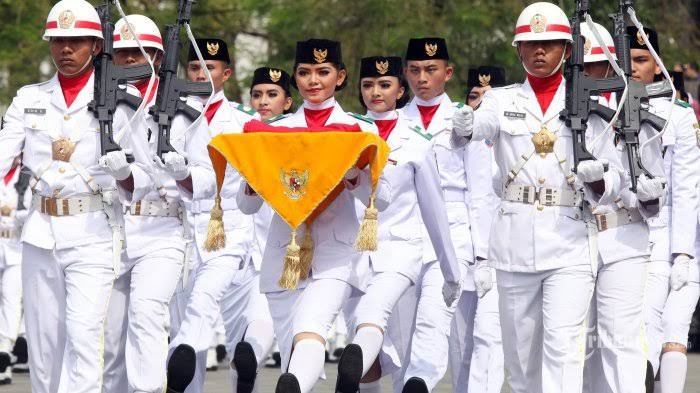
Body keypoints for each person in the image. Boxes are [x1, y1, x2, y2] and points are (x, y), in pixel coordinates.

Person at [451, 2, 626, 392]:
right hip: (514, 242)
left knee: (562, 351)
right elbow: (481, 126)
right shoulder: (502, 99)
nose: (539, 51)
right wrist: (466, 125)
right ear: (518, 50)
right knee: (521, 361)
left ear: (567, 48)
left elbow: (616, 178)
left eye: (549, 42)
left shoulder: (589, 99)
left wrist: (599, 182)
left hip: (569, 241)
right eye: (530, 44)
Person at [0, 0, 146, 391]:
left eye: (77, 41)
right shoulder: (28, 97)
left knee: (84, 336)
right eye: (59, 41)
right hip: (40, 232)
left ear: (96, 47)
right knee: (45, 344)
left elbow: (144, 175)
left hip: (93, 232)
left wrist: (125, 173)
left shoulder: (124, 99)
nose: (66, 49)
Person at [236, 38, 388, 393]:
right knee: (293, 345)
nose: (313, 80)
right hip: (284, 253)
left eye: (323, 71)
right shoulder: (276, 131)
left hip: (334, 254)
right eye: (304, 72)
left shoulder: (361, 131)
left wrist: (352, 172)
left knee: (312, 330)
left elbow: (385, 198)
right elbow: (246, 206)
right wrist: (256, 177)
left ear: (340, 76)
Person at [335, 55, 459, 393]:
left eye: (384, 84)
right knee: (362, 353)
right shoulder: (346, 134)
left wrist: (451, 273)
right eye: (367, 85)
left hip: (400, 254)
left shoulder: (418, 143)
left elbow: (434, 212)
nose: (375, 91)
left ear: (400, 90)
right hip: (354, 253)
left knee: (400, 350)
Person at [167, 37, 275, 393]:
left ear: (226, 73)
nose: (200, 74)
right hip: (180, 228)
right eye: (194, 67)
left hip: (228, 228)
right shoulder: (169, 116)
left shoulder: (243, 122)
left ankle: (183, 357)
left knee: (206, 305)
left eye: (209, 67)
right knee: (181, 316)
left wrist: (186, 175)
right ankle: (184, 377)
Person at [98, 14, 193, 393]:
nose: (126, 63)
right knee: (109, 331)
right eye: (118, 55)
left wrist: (182, 172)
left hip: (162, 229)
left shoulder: (183, 108)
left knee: (147, 315)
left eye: (135, 54)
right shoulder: (99, 103)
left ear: (156, 56)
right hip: (110, 227)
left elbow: (204, 178)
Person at [577, 22, 662, 393]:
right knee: (578, 347)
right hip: (574, 238)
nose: (585, 76)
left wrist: (643, 194)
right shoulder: (560, 114)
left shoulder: (636, 113)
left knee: (620, 340)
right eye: (578, 68)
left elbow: (656, 193)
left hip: (624, 237)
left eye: (591, 67)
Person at [388, 37, 473, 393]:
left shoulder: (464, 120)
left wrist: (482, 250)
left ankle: (419, 381)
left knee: (434, 321)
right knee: (401, 333)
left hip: (452, 229)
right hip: (403, 227)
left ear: (447, 73)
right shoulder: (391, 121)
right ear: (406, 73)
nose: (423, 77)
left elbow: (480, 187)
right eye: (415, 70)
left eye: (431, 69)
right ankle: (407, 382)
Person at [633, 26, 700, 393]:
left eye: (642, 60)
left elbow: (688, 189)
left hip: (670, 229)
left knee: (664, 323)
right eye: (625, 62)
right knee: (643, 324)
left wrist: (684, 252)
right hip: (627, 228)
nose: (633, 69)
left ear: (657, 66)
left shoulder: (676, 115)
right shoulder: (605, 108)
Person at [448, 65, 506, 393]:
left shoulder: (511, 138)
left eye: (488, 97)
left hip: (501, 253)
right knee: (461, 344)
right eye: (474, 96)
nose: (480, 102)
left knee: (489, 336)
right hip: (464, 251)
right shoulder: (457, 139)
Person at [0, 157, 29, 386]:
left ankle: (3, 355)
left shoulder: (26, 174)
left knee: (11, 300)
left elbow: (32, 211)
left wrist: (12, 214)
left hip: (16, 248)